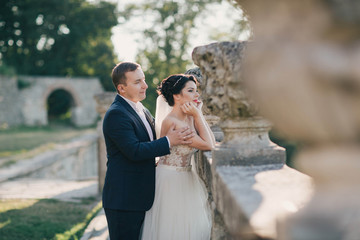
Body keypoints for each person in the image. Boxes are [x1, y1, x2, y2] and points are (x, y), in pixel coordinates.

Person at [102, 62, 195, 240]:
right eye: (137, 82)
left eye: (143, 79)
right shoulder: (116, 114)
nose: (145, 85)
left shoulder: (141, 109)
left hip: (140, 196)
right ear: (121, 88)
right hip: (124, 200)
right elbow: (134, 150)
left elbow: (147, 142)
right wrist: (169, 141)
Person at [141, 74, 216, 240]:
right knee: (173, 230)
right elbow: (209, 145)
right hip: (171, 180)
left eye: (196, 91)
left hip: (186, 176)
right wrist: (198, 115)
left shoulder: (188, 118)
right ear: (176, 96)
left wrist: (197, 115)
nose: (197, 95)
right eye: (191, 91)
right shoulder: (174, 122)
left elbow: (211, 140)